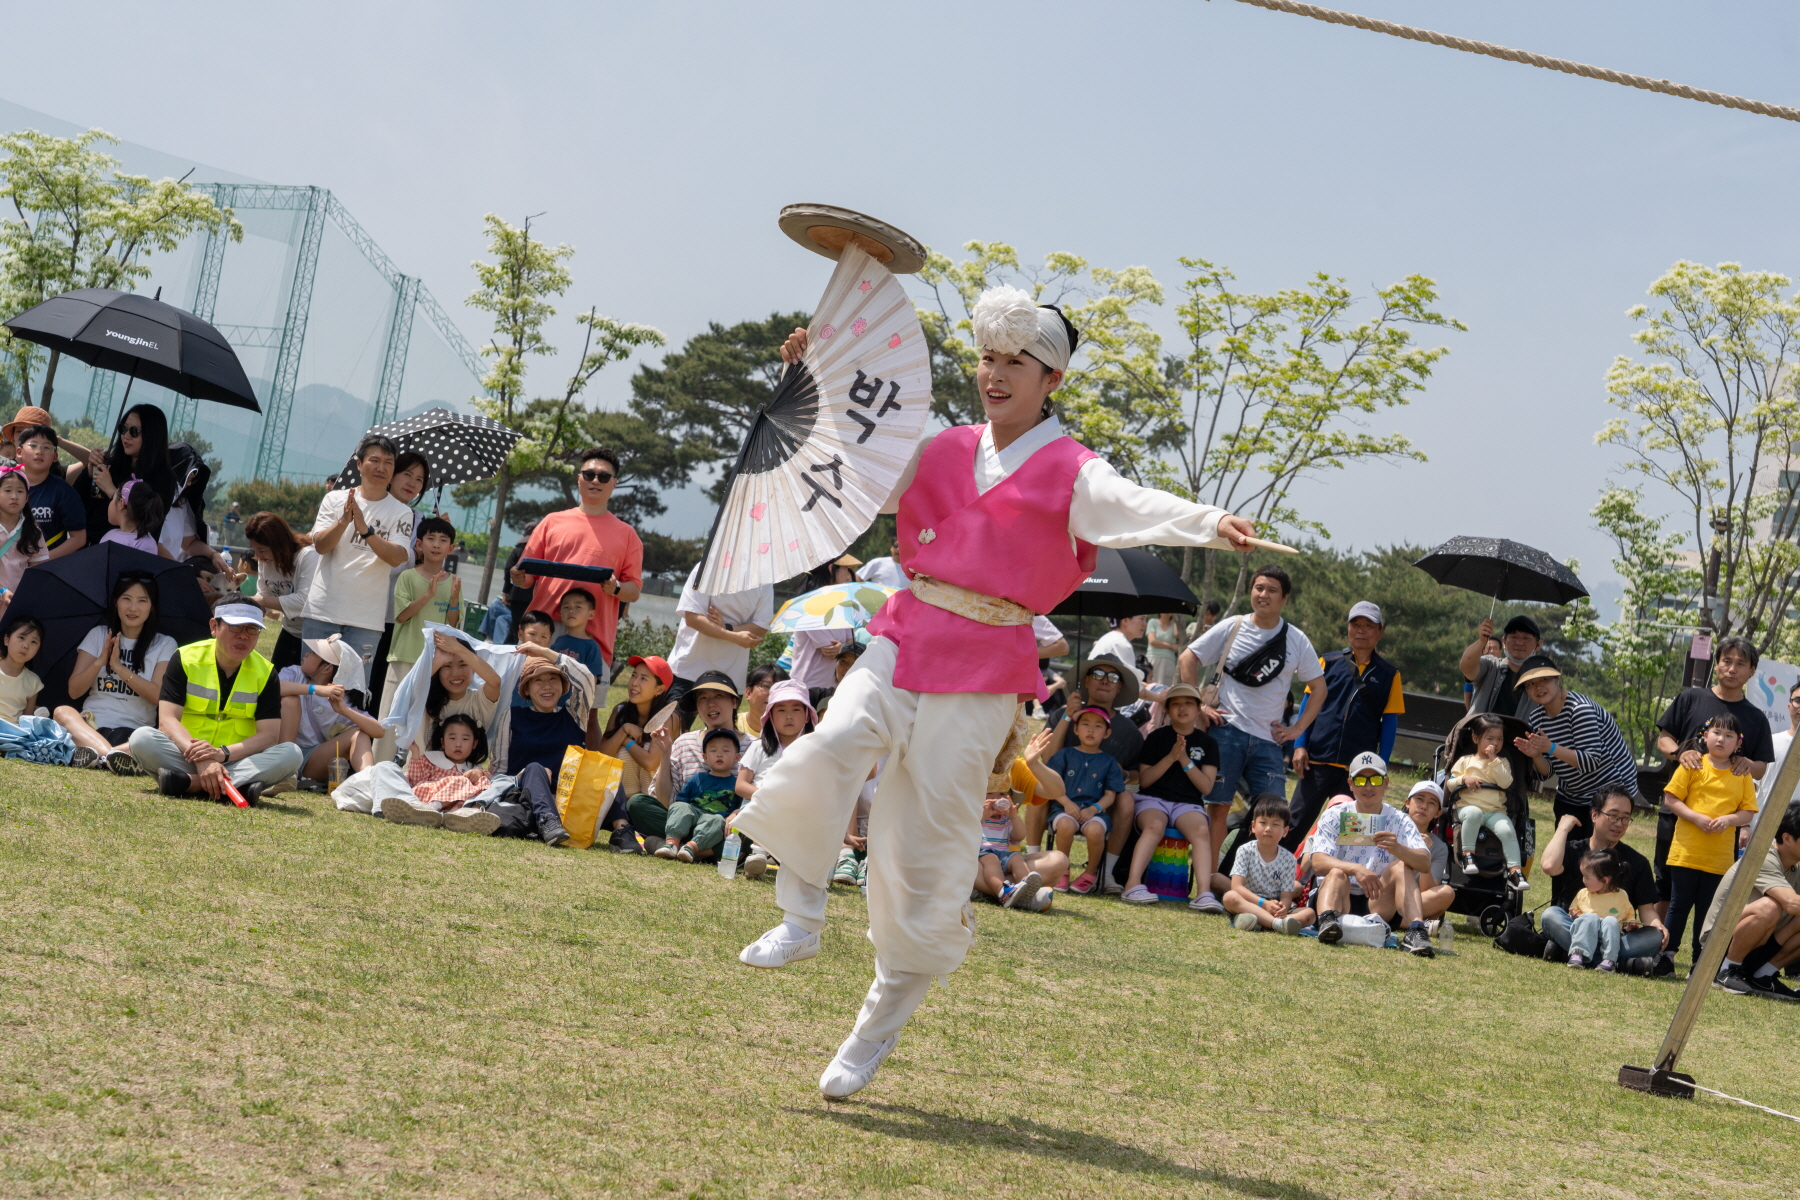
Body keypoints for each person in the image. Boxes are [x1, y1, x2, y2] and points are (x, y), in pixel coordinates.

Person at [730, 289, 1255, 1100]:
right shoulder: (939, 446)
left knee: (927, 849)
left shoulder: (1073, 469)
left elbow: (1133, 509)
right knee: (828, 748)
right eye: (987, 358)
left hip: (987, 660)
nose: (995, 375)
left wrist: (1208, 518)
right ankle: (801, 917)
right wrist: (811, 378)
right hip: (907, 629)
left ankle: (874, 1030)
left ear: (1052, 379)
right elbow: (853, 459)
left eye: (1016, 362)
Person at [1178, 564, 1327, 873]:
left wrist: (1297, 728)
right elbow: (1187, 657)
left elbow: (1320, 688)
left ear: (1284, 598)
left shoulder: (1296, 640)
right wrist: (1198, 707)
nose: (1263, 595)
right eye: (1259, 588)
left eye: (1272, 590)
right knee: (1217, 808)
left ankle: (1243, 880)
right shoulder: (1233, 625)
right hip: (1226, 732)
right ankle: (1206, 883)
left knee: (1273, 813)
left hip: (1269, 740)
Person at [129, 597, 303, 804]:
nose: (243, 636)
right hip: (187, 757)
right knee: (142, 738)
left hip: (237, 761)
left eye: (252, 629)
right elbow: (167, 721)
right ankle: (234, 788)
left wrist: (221, 754)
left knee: (291, 753)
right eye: (235, 627)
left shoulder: (266, 672)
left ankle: (191, 784)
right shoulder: (185, 658)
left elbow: (269, 736)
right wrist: (204, 760)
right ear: (214, 626)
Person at [1653, 636, 1774, 910]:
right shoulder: (1690, 698)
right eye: (1726, 661)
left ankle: (1701, 949)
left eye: (1740, 664)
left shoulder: (1756, 718)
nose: (1731, 669)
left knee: (1712, 889)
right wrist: (1679, 753)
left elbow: (1761, 768)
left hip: (1721, 825)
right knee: (1665, 882)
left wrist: (1746, 763)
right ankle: (1656, 947)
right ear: (1716, 664)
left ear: (1752, 671)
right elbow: (1664, 740)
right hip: (1678, 813)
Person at [512, 446, 643, 692]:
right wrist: (518, 577)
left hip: (592, 636)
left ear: (614, 483)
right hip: (543, 629)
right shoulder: (552, 521)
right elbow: (527, 576)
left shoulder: (627, 535)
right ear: (579, 478)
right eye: (589, 474)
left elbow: (633, 590)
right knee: (526, 700)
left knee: (586, 713)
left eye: (603, 477)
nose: (595, 480)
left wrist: (615, 588)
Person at [1289, 601, 1402, 852]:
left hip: (1358, 770)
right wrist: (1299, 745)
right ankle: (1276, 877)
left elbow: (1390, 724)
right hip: (1316, 761)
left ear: (1380, 632)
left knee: (1353, 834)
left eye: (1368, 626)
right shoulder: (1326, 662)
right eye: (1356, 624)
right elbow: (1308, 706)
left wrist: (1379, 766)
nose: (1361, 630)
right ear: (1348, 628)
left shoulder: (1389, 674)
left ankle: (1343, 886)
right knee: (1295, 823)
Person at [303, 435, 416, 675]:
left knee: (352, 691)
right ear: (359, 464)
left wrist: (366, 530)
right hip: (323, 610)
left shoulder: (402, 512)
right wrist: (345, 520)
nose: (381, 467)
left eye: (388, 462)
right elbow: (321, 546)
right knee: (308, 684)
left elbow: (397, 557)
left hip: (366, 620)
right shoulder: (335, 499)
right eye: (374, 460)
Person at [1304, 752, 1435, 956]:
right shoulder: (1334, 814)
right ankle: (1327, 922)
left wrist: (1398, 849)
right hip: (1338, 895)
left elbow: (1425, 863)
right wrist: (1356, 869)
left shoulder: (1400, 820)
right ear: (1350, 784)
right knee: (1337, 873)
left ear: (1386, 783)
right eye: (1360, 780)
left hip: (1377, 900)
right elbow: (1318, 862)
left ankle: (1416, 931)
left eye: (1375, 779)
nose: (1368, 786)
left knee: (1401, 867)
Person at [1040, 653, 1146, 891]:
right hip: (1063, 796)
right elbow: (1047, 761)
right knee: (1039, 786)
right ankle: (1038, 862)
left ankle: (1104, 873)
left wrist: (1124, 775)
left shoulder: (1128, 729)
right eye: (1098, 674)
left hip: (1101, 802)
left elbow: (1139, 774)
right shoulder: (1063, 714)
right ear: (1086, 681)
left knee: (1127, 799)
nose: (1104, 680)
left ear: (1120, 686)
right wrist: (1068, 716)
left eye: (1112, 677)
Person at [53, 572, 177, 773]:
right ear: (115, 602)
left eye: (142, 601)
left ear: (152, 606)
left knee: (162, 735)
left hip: (134, 733)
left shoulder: (165, 643)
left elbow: (157, 696)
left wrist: (119, 668)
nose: (133, 608)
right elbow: (74, 691)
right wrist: (99, 662)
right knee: (62, 711)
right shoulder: (98, 635)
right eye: (126, 599)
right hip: (91, 727)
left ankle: (97, 756)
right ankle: (112, 757)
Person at [1662, 713, 1759, 965]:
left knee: (1708, 912)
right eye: (1716, 733)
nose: (1721, 739)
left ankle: (1700, 962)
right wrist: (1695, 818)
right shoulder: (1692, 765)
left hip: (1719, 858)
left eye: (1729, 736)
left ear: (1738, 744)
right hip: (1686, 852)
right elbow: (1671, 799)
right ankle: (1666, 956)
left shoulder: (1742, 773)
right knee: (1678, 905)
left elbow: (1748, 811)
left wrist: (1729, 820)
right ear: (1705, 737)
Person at [1539, 786, 1669, 970]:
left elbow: (1647, 909)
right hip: (1576, 928)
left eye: (1625, 818)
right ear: (1594, 815)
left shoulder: (1637, 862)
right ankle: (1613, 960)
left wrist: (1657, 925)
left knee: (1654, 936)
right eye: (1613, 815)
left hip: (1616, 934)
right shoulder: (1574, 849)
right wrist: (1563, 828)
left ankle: (1577, 954)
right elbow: (1549, 866)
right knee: (1551, 915)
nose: (1619, 823)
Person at [1512, 654, 1639, 840]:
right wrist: (1536, 755)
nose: (1538, 687)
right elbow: (1546, 773)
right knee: (1565, 855)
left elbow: (1591, 761)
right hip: (1572, 793)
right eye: (1530, 684)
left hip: (1610, 790)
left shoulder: (1580, 710)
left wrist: (1551, 747)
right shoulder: (1536, 718)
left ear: (1557, 679)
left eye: (1544, 679)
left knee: (1596, 858)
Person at [1120, 684, 1221, 907]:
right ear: (1167, 710)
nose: (1182, 708)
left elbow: (1206, 787)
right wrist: (1171, 757)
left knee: (1201, 831)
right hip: (1153, 799)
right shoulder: (1156, 737)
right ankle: (1132, 884)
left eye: (1188, 703)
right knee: (1154, 825)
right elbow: (1145, 781)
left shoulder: (1209, 744)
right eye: (1175, 703)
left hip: (1188, 804)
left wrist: (1185, 760)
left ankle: (1203, 893)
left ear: (1198, 709)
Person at [379, 516, 461, 761]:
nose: (436, 544)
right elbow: (402, 616)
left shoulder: (455, 582)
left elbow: (453, 625)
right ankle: (377, 769)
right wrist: (429, 594)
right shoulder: (407, 577)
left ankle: (417, 775)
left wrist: (454, 601)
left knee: (426, 721)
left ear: (451, 548)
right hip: (404, 654)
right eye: (431, 538)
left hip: (436, 662)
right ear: (419, 543)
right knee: (390, 716)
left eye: (443, 540)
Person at [1704, 804, 1800, 998]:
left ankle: (1763, 976)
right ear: (1787, 838)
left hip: (1758, 942)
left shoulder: (1794, 865)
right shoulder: (1762, 856)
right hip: (1718, 944)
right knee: (1769, 907)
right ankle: (1725, 970)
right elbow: (1791, 903)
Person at [366, 449, 433, 717]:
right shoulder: (371, 510)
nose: (412, 484)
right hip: (368, 609)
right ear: (392, 475)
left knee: (385, 682)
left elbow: (421, 571)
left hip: (399, 616)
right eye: (407, 474)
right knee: (362, 680)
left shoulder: (421, 522)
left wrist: (432, 542)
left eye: (419, 480)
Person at [278, 636, 384, 790]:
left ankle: (369, 784)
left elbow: (379, 731)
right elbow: (273, 687)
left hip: (313, 759)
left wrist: (344, 711)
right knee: (290, 700)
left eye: (314, 652)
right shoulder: (294, 673)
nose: (306, 654)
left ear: (327, 668)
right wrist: (315, 689)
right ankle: (284, 770)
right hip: (281, 753)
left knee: (359, 733)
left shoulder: (340, 698)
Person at [667, 561, 775, 712]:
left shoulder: (764, 579)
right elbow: (693, 618)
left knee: (722, 734)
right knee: (671, 729)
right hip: (688, 670)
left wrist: (727, 628)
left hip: (730, 675)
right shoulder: (707, 567)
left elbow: (761, 627)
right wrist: (734, 636)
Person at [737, 680, 818, 880]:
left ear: (808, 715)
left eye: (796, 709)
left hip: (798, 813)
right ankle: (758, 855)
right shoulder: (759, 747)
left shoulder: (815, 752)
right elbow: (740, 785)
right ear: (770, 715)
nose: (789, 715)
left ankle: (774, 858)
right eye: (781, 710)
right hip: (761, 808)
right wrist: (768, 796)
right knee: (762, 814)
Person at [597, 654, 674, 853]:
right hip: (618, 805)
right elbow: (602, 756)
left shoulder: (668, 718)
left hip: (650, 807)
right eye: (634, 675)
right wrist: (624, 730)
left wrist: (628, 741)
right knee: (619, 751)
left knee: (627, 750)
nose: (634, 683)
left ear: (660, 689)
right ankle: (624, 822)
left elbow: (650, 763)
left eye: (643, 678)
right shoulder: (621, 710)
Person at [1045, 708, 1126, 894]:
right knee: (1065, 824)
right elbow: (1051, 784)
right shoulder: (1064, 755)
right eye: (1085, 725)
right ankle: (1061, 870)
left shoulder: (1109, 762)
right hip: (1064, 808)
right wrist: (1066, 803)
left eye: (1098, 726)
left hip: (1094, 812)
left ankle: (1090, 873)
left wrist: (1094, 809)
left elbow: (1110, 795)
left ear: (1107, 733)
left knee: (1096, 830)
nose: (1091, 730)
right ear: (1076, 730)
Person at [1445, 711, 1526, 892]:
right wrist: (1464, 779)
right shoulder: (1466, 761)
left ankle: (1515, 871)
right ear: (1476, 739)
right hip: (1468, 808)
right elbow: (1450, 784)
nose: (1495, 744)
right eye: (1490, 739)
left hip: (1495, 811)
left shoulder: (1502, 762)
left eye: (1499, 739)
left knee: (1507, 830)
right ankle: (1468, 855)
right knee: (1474, 813)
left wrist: (1493, 761)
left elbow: (1505, 783)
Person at [388, 713, 501, 833]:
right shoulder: (431, 759)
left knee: (479, 784)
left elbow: (489, 783)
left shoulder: (473, 769)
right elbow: (415, 781)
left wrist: (480, 773)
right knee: (462, 780)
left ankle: (455, 817)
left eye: (465, 739)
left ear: (474, 744)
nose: (458, 744)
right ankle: (432, 807)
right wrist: (415, 753)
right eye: (452, 738)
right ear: (442, 742)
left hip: (455, 806)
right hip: (428, 796)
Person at [1221, 794, 1313, 934]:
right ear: (1253, 826)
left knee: (1310, 914)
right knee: (1230, 897)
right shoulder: (1245, 851)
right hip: (1249, 902)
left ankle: (1262, 921)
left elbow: (1286, 896)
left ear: (1285, 831)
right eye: (1263, 823)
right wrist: (1263, 903)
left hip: (1274, 906)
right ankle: (1277, 924)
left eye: (1275, 824)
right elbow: (1237, 887)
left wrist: (1283, 908)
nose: (1268, 828)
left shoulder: (1289, 859)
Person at [650, 727, 743, 863]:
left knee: (717, 820)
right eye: (713, 750)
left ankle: (691, 848)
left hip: (714, 825)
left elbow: (741, 807)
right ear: (705, 757)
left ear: (737, 757)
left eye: (726, 750)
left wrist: (734, 813)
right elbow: (682, 802)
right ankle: (672, 843)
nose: (719, 754)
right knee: (679, 806)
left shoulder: (737, 784)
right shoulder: (697, 778)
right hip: (693, 817)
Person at [244, 512, 314, 670]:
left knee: (305, 690)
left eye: (261, 550)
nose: (258, 556)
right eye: (254, 549)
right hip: (290, 630)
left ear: (278, 544)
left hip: (315, 635)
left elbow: (304, 602)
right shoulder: (264, 560)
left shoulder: (307, 555)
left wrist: (261, 601)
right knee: (276, 683)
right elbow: (264, 595)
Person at [418, 632, 504, 757]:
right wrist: (438, 660)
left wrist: (458, 648)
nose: (456, 673)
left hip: (467, 774)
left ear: (474, 668)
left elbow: (495, 682)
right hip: (423, 772)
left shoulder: (479, 700)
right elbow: (413, 687)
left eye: (463, 664)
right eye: (447, 666)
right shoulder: (424, 697)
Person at [11, 422, 87, 560]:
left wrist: (43, 560)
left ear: (55, 457)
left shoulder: (63, 492)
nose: (39, 451)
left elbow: (79, 538)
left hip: (43, 571)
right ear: (19, 452)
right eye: (33, 445)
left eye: (46, 447)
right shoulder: (4, 482)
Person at [1562, 846, 1638, 972]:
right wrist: (1573, 917)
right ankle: (1578, 953)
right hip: (1584, 936)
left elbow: (1628, 916)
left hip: (1610, 938)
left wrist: (1630, 926)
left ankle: (1609, 960)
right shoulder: (1583, 893)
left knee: (1610, 921)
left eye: (1587, 877)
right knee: (1555, 915)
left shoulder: (1621, 895)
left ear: (1604, 880)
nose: (1583, 880)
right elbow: (1573, 913)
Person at [1459, 615, 1542, 717]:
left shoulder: (1542, 681)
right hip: (1481, 731)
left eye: (1526, 638)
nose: (1519, 643)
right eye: (1513, 637)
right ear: (1504, 642)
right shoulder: (1491, 666)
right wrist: (1481, 641)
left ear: (1538, 644)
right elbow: (1466, 667)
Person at [1402, 780, 1456, 922]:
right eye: (1419, 799)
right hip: (1385, 895)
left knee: (1447, 892)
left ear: (1438, 813)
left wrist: (1425, 853)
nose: (1424, 806)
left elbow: (1428, 891)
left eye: (1432, 803)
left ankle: (1399, 920)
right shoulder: (1391, 829)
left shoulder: (1439, 847)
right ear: (1407, 802)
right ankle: (1409, 921)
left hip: (1413, 900)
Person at [0, 464, 48, 616]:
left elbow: (38, 574)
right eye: (8, 490)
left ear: (27, 497)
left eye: (20, 491)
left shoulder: (33, 532)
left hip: (19, 607)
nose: (14, 496)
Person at [95, 478, 170, 558]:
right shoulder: (109, 534)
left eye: (113, 499)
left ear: (121, 504)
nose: (110, 504)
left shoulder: (145, 544)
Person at [0, 615, 44, 723]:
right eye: (21, 637)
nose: (26, 646)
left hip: (12, 735)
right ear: (7, 639)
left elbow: (26, 720)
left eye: (33, 642)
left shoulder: (34, 682)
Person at [509, 611, 558, 707]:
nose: (537, 640)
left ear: (549, 640)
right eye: (532, 634)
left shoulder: (551, 665)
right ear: (520, 635)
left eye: (543, 636)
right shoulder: (510, 660)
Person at [737, 664, 784, 738]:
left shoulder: (792, 732)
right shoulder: (731, 726)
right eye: (766, 686)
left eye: (779, 689)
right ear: (748, 693)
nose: (772, 694)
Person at [1145, 612, 1182, 688]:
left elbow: (1176, 634)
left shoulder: (1174, 625)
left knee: (1165, 687)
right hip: (1153, 658)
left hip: (1168, 661)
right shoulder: (1152, 622)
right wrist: (1171, 646)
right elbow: (1152, 641)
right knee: (1150, 685)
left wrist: (1176, 620)